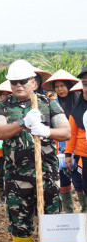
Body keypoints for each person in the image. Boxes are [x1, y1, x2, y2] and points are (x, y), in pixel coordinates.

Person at [0, 59, 70, 242]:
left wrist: (46, 130)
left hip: (46, 176)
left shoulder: (48, 103)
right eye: (14, 82)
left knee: (50, 220)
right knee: (19, 222)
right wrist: (22, 123)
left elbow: (65, 132)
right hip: (16, 178)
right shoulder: (2, 107)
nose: (18, 85)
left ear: (34, 82)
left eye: (23, 81)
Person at [43, 70, 83, 213]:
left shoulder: (80, 102)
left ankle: (84, 211)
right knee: (63, 181)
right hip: (58, 149)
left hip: (78, 149)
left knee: (79, 180)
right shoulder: (53, 104)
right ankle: (69, 211)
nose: (60, 90)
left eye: (62, 86)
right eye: (57, 87)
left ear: (68, 86)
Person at [65, 66, 87, 214]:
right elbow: (71, 134)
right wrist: (68, 153)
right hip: (83, 157)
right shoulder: (77, 110)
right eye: (85, 84)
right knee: (83, 186)